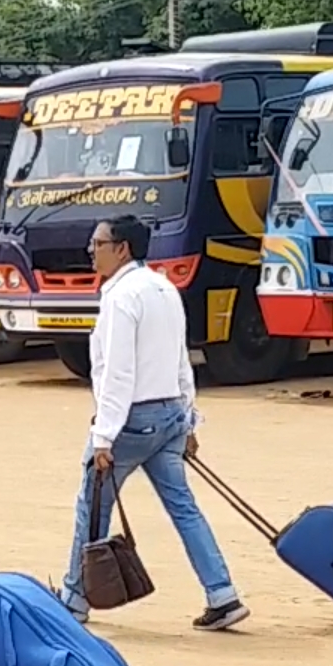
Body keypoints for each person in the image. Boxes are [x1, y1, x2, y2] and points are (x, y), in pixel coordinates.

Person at [59, 215, 247, 632]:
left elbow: (117, 372)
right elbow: (181, 359)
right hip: (169, 415)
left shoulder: (120, 297)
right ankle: (222, 593)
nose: (92, 251)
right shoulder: (164, 288)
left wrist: (104, 436)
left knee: (91, 505)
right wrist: (189, 419)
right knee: (184, 507)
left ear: (121, 248)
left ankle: (73, 598)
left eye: (98, 243)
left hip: (131, 420)